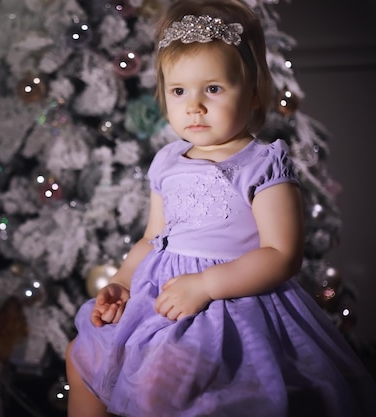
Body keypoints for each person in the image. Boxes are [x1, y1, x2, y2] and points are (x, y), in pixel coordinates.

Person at [65, 0, 376, 416]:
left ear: (251, 94)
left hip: (228, 306)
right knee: (83, 354)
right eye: (179, 91)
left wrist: (207, 285)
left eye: (212, 88)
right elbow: (151, 239)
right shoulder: (168, 162)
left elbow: (282, 255)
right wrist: (122, 282)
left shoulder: (261, 164)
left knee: (179, 392)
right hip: (159, 300)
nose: (194, 105)